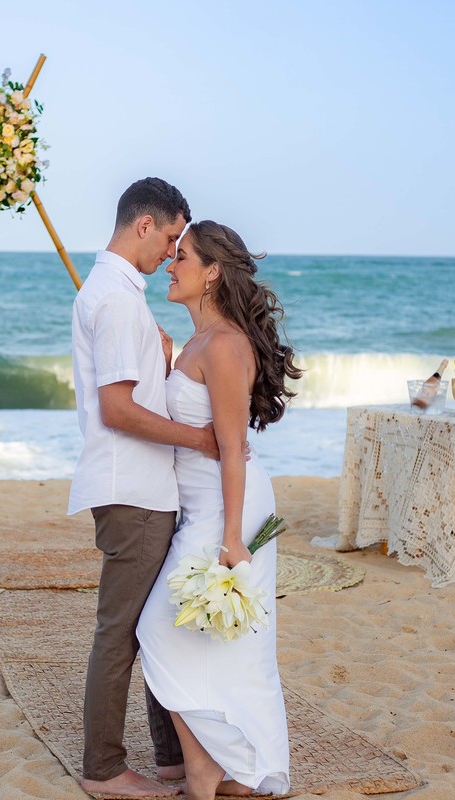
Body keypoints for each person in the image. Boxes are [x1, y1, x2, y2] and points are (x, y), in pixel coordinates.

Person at [136, 220, 303, 799]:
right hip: (201, 506)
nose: (169, 262)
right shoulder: (197, 343)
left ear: (211, 272)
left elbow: (232, 447)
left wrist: (233, 538)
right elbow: (185, 420)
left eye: (181, 256)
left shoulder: (227, 344)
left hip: (228, 507)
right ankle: (219, 768)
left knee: (162, 628)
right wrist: (162, 365)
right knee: (196, 636)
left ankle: (219, 766)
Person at [69, 178, 222, 797]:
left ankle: (170, 758)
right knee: (123, 630)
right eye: (170, 237)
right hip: (130, 489)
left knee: (152, 626)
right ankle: (104, 768)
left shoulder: (119, 295)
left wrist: (161, 362)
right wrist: (201, 441)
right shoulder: (115, 298)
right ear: (144, 225)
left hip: (143, 487)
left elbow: (132, 394)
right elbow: (117, 411)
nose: (170, 252)